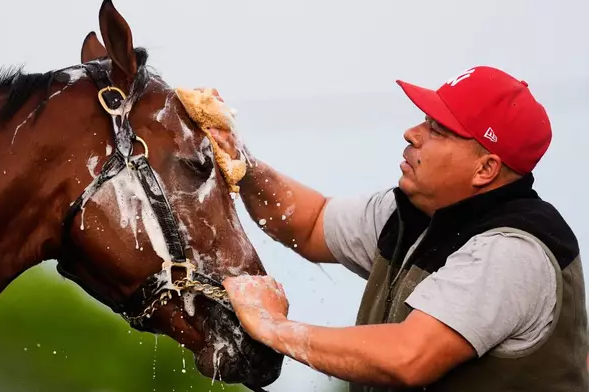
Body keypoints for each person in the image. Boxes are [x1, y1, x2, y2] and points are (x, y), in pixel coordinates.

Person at [209, 65, 589, 391]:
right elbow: (310, 224)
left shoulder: (511, 251)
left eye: (437, 129)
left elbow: (409, 356)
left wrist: (272, 327)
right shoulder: (413, 211)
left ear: (485, 169)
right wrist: (240, 162)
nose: (412, 132)